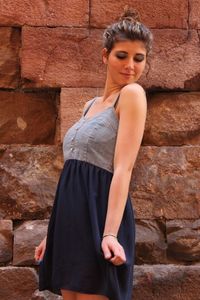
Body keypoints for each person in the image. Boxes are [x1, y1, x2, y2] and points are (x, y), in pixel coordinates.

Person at [35, 6, 153, 300]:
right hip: (70, 220)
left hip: (100, 217)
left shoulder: (132, 95)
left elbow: (123, 168)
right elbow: (74, 171)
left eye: (139, 58)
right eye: (121, 56)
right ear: (105, 56)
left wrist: (110, 233)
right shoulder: (90, 106)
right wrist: (52, 233)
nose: (130, 66)